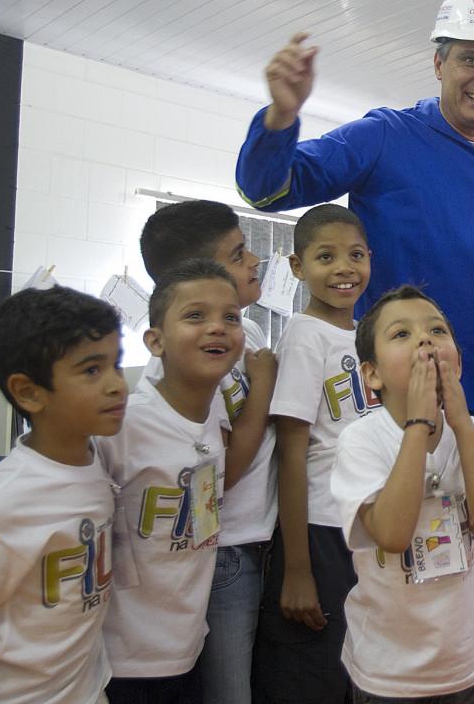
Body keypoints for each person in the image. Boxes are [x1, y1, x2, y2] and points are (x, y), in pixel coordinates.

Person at [234, 0, 474, 700]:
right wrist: (282, 114)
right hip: (395, 415)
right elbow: (270, 188)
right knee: (392, 580)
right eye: (470, 59)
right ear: (437, 62)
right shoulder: (384, 136)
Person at [0, 287, 124, 704]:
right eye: (92, 370)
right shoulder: (2, 505)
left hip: (83, 689)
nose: (118, 385)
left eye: (116, 365)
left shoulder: (95, 455)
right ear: (29, 392)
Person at [330, 285, 474, 701]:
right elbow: (392, 534)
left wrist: (462, 424)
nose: (425, 340)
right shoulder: (361, 441)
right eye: (401, 334)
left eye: (437, 330)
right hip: (388, 673)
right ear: (372, 375)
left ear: (459, 363)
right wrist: (418, 423)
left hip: (465, 662)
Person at [139, 200, 278, 704]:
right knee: (227, 690)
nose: (254, 262)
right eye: (239, 254)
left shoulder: (248, 331)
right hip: (223, 550)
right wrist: (262, 388)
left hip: (259, 539)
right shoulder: (175, 372)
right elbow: (224, 470)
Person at [99, 259, 245, 702]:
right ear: (155, 341)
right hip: (116, 659)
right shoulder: (123, 424)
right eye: (195, 315)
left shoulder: (215, 417)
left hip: (185, 650)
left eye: (231, 317)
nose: (217, 327)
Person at [253, 204, 377, 702]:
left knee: (357, 666)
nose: (344, 268)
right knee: (316, 669)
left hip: (365, 525)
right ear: (297, 268)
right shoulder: (306, 334)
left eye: (355, 255)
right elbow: (291, 449)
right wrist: (298, 568)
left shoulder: (364, 334)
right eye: (326, 257)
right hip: (320, 530)